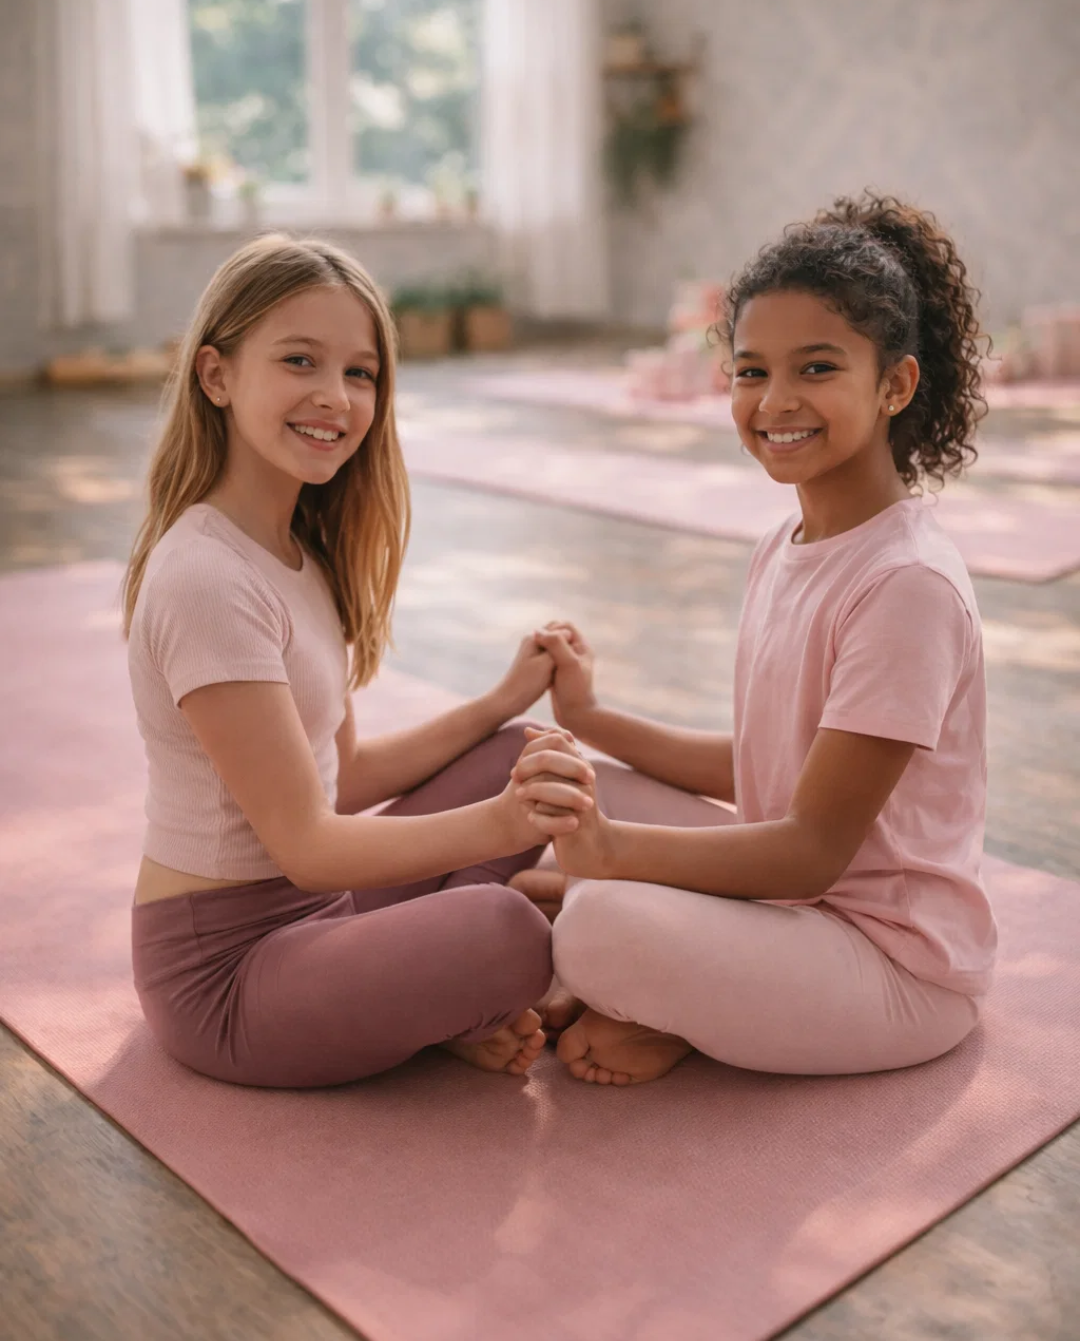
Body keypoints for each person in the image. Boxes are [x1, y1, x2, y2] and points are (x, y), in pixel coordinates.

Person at [517, 194, 997, 1087]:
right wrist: (590, 720)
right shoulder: (787, 545)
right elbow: (767, 766)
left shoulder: (907, 588)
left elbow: (811, 848)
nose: (775, 401)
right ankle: (649, 977)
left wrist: (612, 858)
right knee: (573, 782)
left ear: (895, 384)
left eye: (817, 369)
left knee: (594, 925)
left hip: (891, 968)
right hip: (787, 906)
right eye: (750, 372)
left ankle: (662, 1009)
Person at [122, 233, 594, 1088]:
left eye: (360, 373)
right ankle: (431, 1003)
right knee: (508, 935)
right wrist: (504, 827)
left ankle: (420, 1008)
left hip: (320, 914)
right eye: (299, 360)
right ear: (216, 376)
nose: (334, 397)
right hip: (225, 977)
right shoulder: (205, 579)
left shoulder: (301, 555)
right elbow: (307, 846)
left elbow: (342, 777)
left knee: (520, 751)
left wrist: (498, 703)